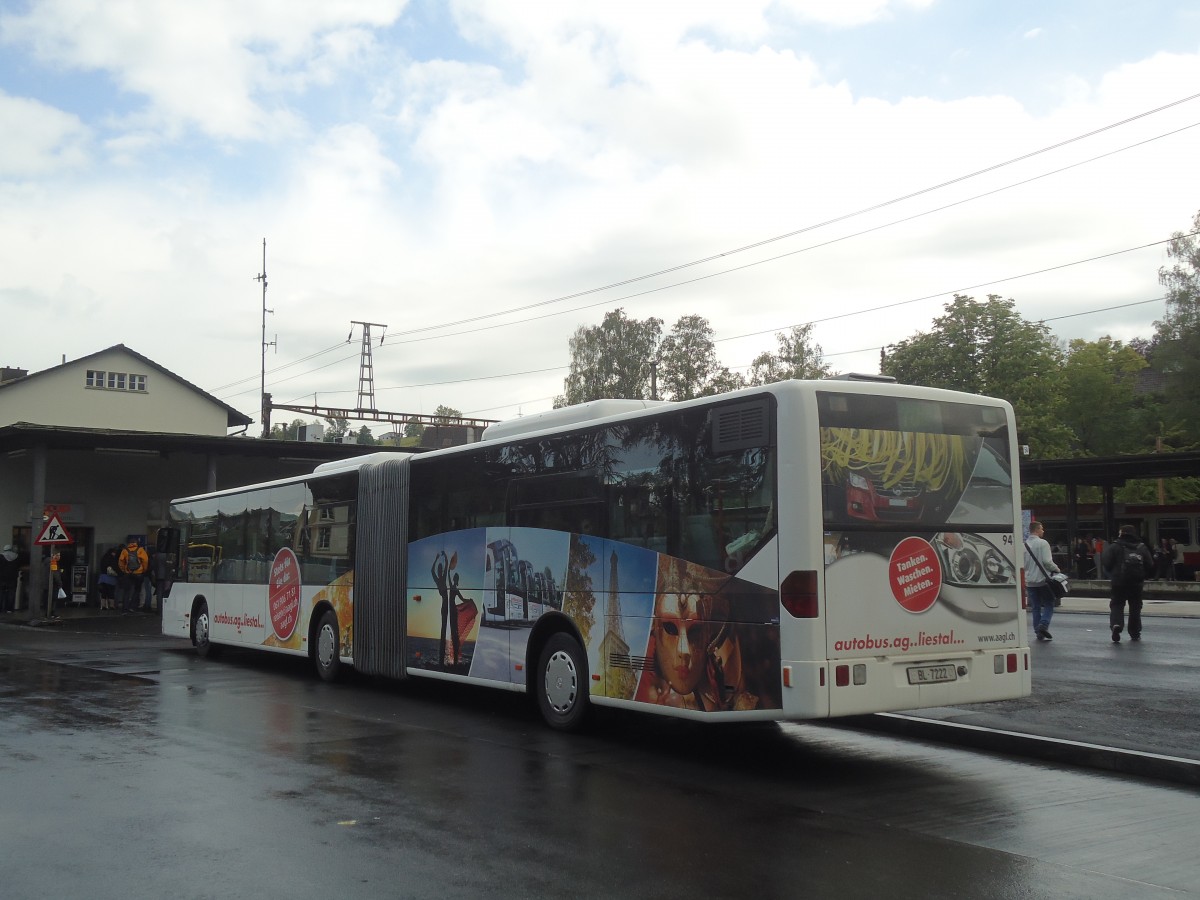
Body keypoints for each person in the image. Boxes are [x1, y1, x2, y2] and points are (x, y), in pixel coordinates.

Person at [1101, 524, 1154, 643]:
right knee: (1135, 607)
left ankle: (1116, 624)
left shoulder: (1115, 546)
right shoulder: (1141, 547)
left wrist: (1113, 574)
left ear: (1121, 533)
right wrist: (1142, 575)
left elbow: (1106, 562)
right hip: (1136, 583)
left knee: (1117, 604)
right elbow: (1150, 564)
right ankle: (1135, 632)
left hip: (1119, 582)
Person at [1024, 521, 1062, 641]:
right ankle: (1043, 624)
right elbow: (1047, 562)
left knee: (1035, 606)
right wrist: (1056, 569)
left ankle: (1038, 631)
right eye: (1042, 529)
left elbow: (1023, 565)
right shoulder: (1043, 543)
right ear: (1036, 530)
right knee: (1049, 603)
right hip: (1043, 580)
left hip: (1029, 581)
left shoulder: (1024, 545)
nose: (1043, 531)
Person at [118, 539, 149, 615]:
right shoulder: (140, 550)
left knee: (127, 591)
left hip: (128, 573)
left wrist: (124, 570)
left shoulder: (125, 551)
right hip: (138, 573)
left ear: (129, 543)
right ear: (136, 543)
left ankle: (125, 609)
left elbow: (121, 561)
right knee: (137, 590)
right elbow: (145, 561)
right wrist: (143, 570)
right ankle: (132, 607)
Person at [98, 544, 121, 611]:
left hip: (102, 577)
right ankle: (111, 605)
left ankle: (103, 606)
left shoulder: (104, 557)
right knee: (111, 592)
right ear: (113, 553)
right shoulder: (112, 559)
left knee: (104, 592)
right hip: (110, 578)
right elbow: (115, 568)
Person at [0, 544, 19, 614]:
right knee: (11, 593)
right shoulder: (16, 557)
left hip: (2, 578)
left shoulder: (1, 556)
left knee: (1, 593)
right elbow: (18, 567)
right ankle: (9, 609)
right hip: (13, 578)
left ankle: (1, 608)